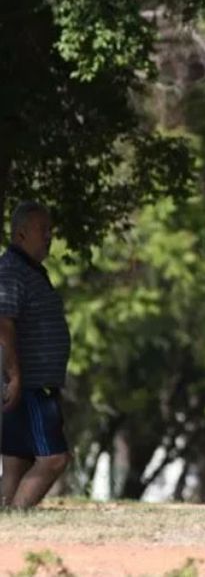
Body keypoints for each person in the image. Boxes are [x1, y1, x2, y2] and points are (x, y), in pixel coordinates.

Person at [1, 201, 72, 508]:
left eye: (50, 230)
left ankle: (5, 524)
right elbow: (3, 324)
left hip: (33, 383)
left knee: (17, 460)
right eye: (42, 230)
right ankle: (16, 519)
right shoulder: (12, 271)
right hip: (29, 385)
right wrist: (15, 377)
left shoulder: (30, 271)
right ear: (20, 234)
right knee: (54, 459)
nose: (49, 236)